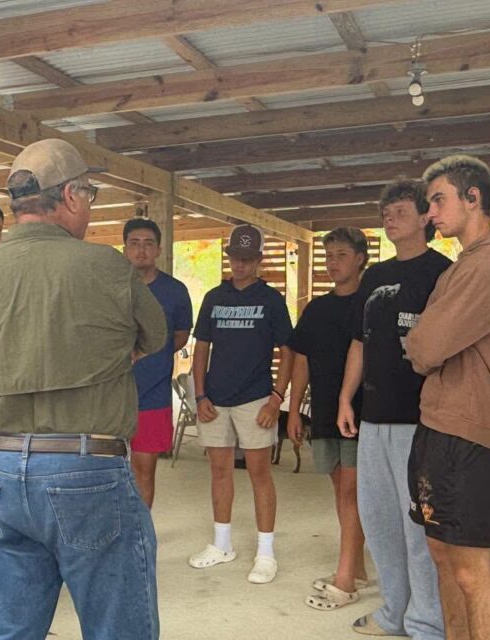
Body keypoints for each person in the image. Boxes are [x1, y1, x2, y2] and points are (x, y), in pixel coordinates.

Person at [0, 138, 165, 640]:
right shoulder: (106, 265)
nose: (88, 205)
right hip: (84, 464)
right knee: (119, 627)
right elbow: (153, 336)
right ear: (70, 196)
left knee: (13, 630)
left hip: (3, 467)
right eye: (88, 194)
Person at [406, 155, 490, 640]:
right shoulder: (465, 265)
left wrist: (423, 340)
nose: (430, 213)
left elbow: (423, 345)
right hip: (440, 424)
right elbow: (426, 341)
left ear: (473, 197)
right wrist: (425, 338)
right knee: (443, 555)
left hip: (470, 432)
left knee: (472, 567)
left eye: (439, 199)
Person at [335, 180, 451, 637]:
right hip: (373, 417)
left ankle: (427, 622)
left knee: (419, 528)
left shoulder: (445, 273)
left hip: (420, 421)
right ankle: (394, 612)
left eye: (400, 209)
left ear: (426, 217)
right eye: (385, 211)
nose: (389, 217)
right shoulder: (376, 277)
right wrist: (346, 398)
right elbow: (360, 342)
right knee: (379, 519)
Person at [188, 223, 294, 585]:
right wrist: (199, 395)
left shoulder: (271, 300)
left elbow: (288, 350)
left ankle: (266, 552)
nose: (240, 264)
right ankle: (221, 544)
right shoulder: (214, 298)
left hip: (256, 398)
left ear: (259, 260)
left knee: (259, 473)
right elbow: (201, 347)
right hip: (215, 399)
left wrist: (277, 398)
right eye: (235, 257)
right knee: (218, 471)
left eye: (247, 258)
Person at [286, 227, 369, 611]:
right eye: (328, 256)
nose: (332, 262)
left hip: (359, 412)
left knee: (352, 492)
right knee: (340, 490)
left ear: (360, 259)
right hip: (321, 412)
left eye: (340, 255)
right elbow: (301, 359)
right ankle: (356, 564)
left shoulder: (370, 304)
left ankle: (346, 576)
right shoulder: (315, 308)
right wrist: (294, 409)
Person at [122, 218, 193, 508]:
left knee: (144, 470)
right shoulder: (110, 286)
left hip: (152, 393)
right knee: (108, 470)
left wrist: (152, 354)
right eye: (134, 244)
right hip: (111, 394)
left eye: (148, 244)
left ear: (158, 249)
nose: (141, 250)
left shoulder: (174, 291)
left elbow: (179, 336)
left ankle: (139, 533)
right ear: (124, 248)